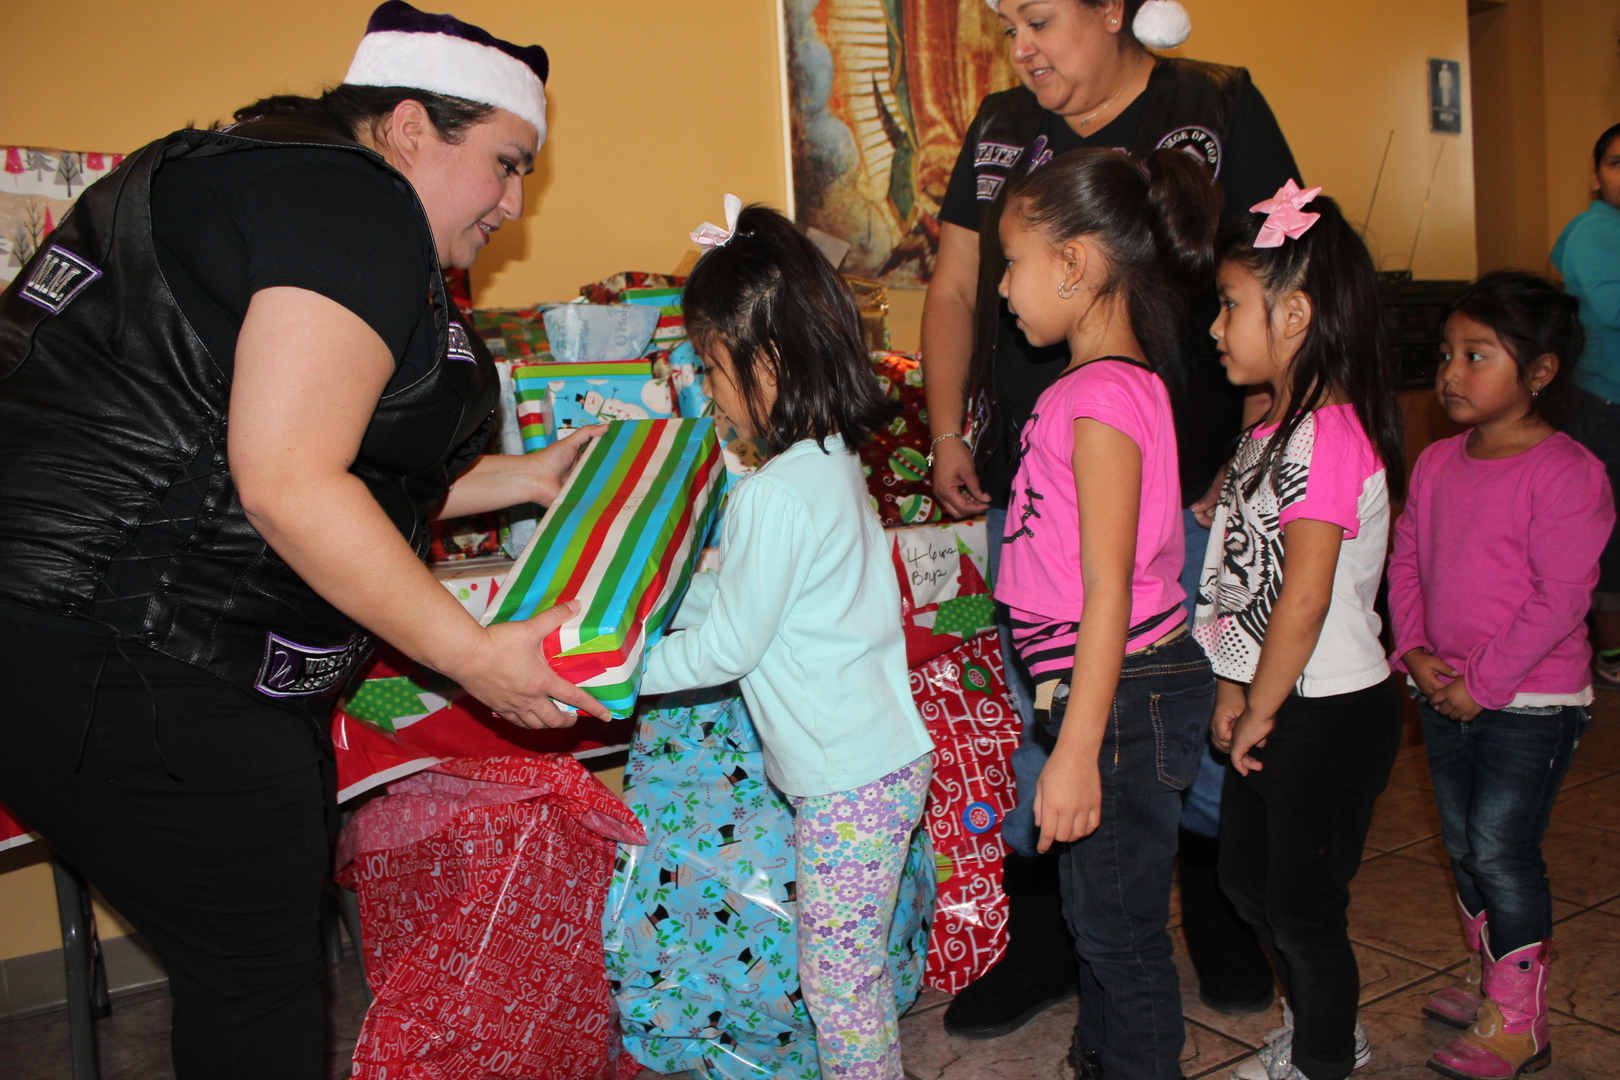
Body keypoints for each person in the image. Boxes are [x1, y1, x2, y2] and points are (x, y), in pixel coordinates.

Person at [0, 5, 607, 1077]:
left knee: (239, 968)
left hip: (62, 632)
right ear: (410, 129)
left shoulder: (247, 170)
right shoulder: (352, 202)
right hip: (145, 655)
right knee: (257, 985)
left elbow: (279, 445)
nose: (514, 203)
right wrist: (473, 658)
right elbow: (286, 482)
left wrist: (531, 475)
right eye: (507, 164)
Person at [921, 0, 1294, 1033]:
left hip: (1191, 489)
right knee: (1052, 713)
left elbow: (1281, 283)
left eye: (1039, 18)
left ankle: (1216, 919)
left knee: (1181, 726)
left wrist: (1252, 450)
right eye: (1007, 23)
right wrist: (950, 430)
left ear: (1113, 9)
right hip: (1038, 481)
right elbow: (954, 287)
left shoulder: (1213, 107)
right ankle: (1054, 942)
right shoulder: (1002, 128)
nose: (1020, 47)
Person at [639, 203, 936, 1080]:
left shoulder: (774, 493)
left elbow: (727, 649)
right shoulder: (830, 460)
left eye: (709, 364)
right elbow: (749, 600)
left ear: (765, 360)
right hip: (874, 765)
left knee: (837, 983)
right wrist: (674, 603)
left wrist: (628, 671)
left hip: (850, 779)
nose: (706, 386)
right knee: (847, 973)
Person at [992, 145, 1220, 1080]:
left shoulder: (1101, 396)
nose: (1002, 288)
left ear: (1074, 264)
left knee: (1119, 929)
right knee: (1099, 914)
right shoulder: (1108, 387)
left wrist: (1078, 749)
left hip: (1119, 693)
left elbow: (1110, 589)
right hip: (1107, 693)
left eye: (1012, 262)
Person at [1194, 185, 1407, 1080]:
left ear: (1294, 315)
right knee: (1246, 880)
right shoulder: (1268, 432)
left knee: (1304, 904)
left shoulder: (1329, 438)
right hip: (1276, 697)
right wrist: (1231, 685)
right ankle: (1322, 1027)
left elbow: (1304, 598)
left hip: (1328, 710)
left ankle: (1323, 1056)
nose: (1215, 327)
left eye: (1229, 305)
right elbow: (1239, 579)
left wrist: (1260, 708)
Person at [1387, 272, 1609, 1080]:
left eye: (1476, 355)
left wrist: (1478, 686)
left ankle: (1520, 1022)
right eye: (1447, 353)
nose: (1450, 371)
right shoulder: (1438, 462)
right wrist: (1413, 650)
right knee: (1462, 845)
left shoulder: (1567, 472)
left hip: (1531, 702)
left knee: (1501, 850)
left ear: (1540, 371)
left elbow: (1562, 598)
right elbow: (1406, 560)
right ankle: (1494, 983)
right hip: (1443, 689)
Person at [1554, 122, 1620, 686]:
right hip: (1605, 404)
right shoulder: (1595, 231)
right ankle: (1611, 654)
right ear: (1595, 177)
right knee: (1609, 534)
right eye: (1617, 163)